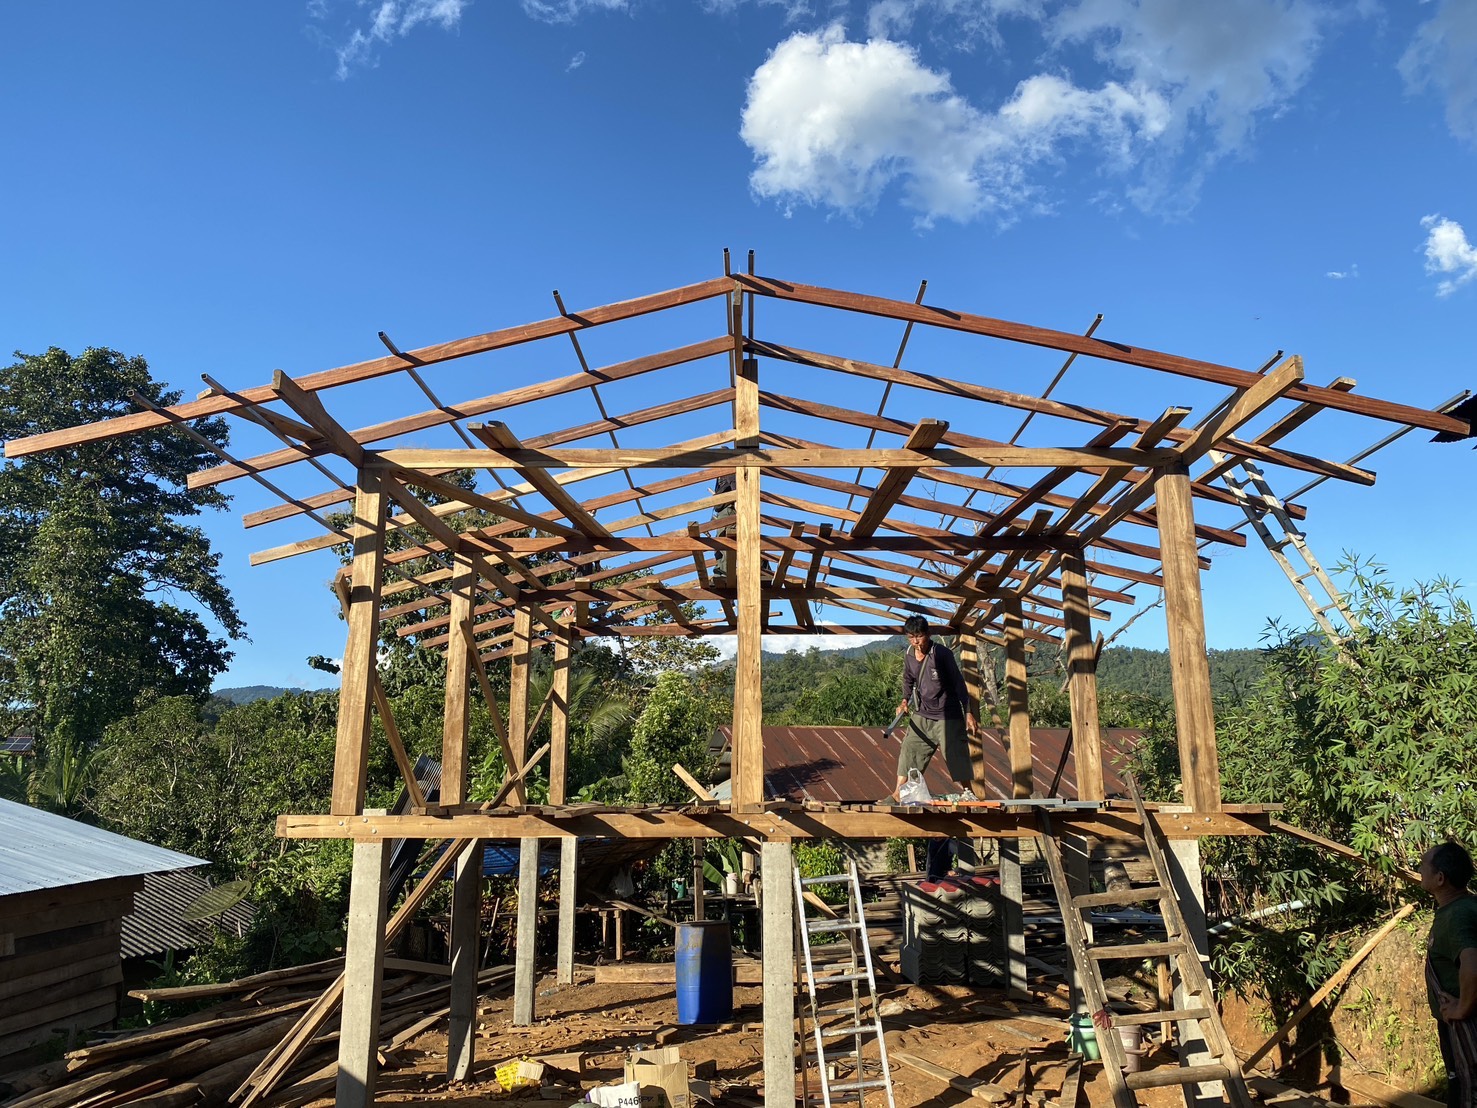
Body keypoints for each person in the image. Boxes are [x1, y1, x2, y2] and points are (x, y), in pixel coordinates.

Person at [890, 615, 978, 880]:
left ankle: (968, 791)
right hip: (923, 713)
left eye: (919, 636)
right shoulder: (909, 655)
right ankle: (897, 792)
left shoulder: (942, 654)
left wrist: (968, 712)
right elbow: (908, 680)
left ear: (927, 634)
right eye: (911, 637)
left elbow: (959, 684)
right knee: (909, 748)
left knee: (954, 753)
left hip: (948, 714)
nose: (916, 642)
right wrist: (904, 701)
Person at [1420, 840, 1477, 1108]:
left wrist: (1462, 1008)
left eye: (1423, 866)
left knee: (1468, 1093)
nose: (1419, 870)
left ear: (1440, 878)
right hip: (1460, 1025)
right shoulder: (1462, 907)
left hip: (1468, 1026)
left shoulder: (1457, 915)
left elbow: (1472, 963)